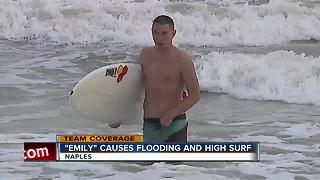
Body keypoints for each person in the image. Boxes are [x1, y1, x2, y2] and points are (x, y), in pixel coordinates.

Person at [137, 15, 200, 143]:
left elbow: (195, 95)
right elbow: (132, 87)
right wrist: (118, 115)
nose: (159, 38)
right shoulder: (144, 56)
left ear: (173, 33)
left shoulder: (182, 60)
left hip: (174, 124)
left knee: (175, 164)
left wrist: (171, 114)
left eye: (164, 33)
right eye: (155, 33)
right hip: (149, 124)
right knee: (144, 164)